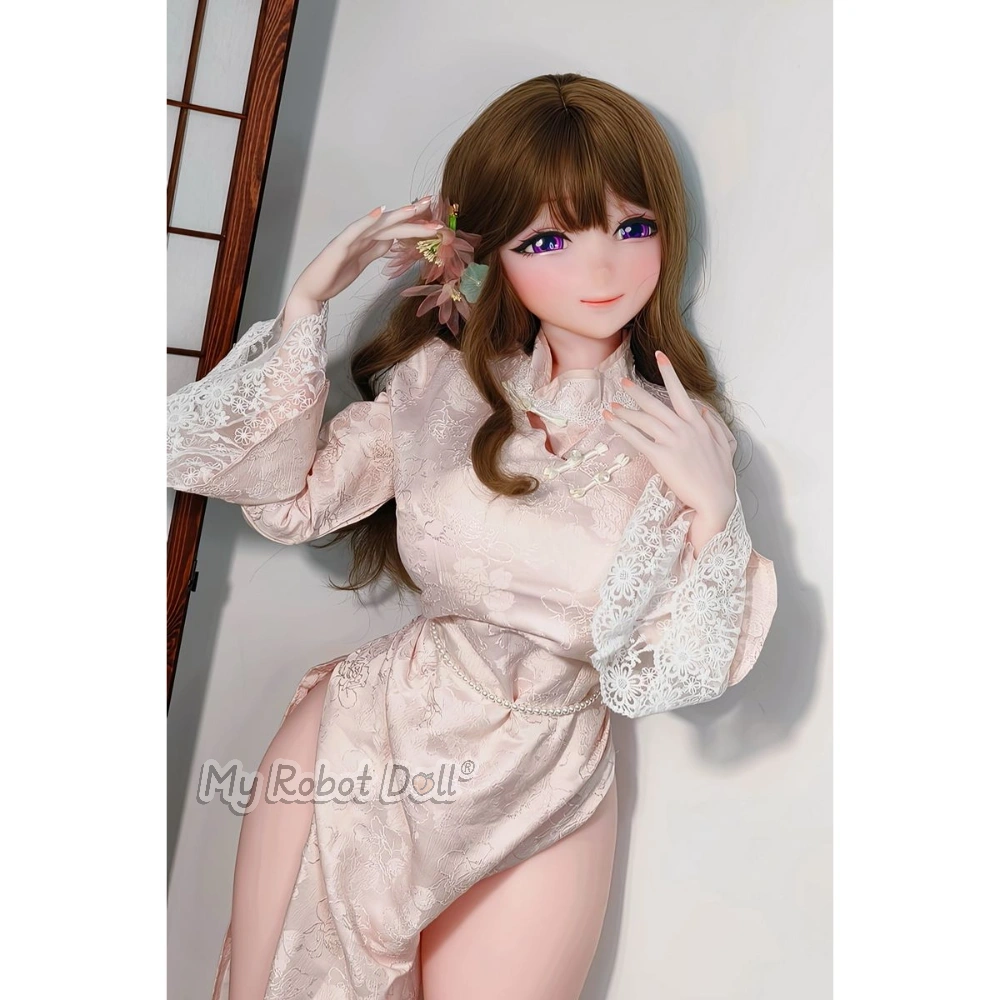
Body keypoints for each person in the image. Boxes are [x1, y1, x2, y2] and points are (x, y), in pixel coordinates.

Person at [167, 72, 778, 1000]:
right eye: (548, 240)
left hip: (547, 779)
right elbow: (289, 501)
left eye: (632, 227)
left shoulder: (681, 442)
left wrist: (715, 512)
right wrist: (306, 307)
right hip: (363, 742)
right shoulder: (440, 385)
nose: (601, 269)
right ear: (487, 255)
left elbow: (675, 674)